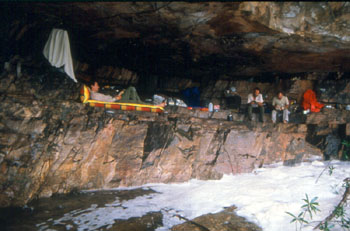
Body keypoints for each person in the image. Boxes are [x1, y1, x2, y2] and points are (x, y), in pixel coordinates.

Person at [89, 81, 166, 107]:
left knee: (128, 91)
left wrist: (118, 95)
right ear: (92, 86)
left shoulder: (95, 94)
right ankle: (156, 105)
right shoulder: (95, 95)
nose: (98, 86)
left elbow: (106, 99)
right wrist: (116, 98)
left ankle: (140, 102)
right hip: (117, 101)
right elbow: (107, 101)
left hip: (116, 99)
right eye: (96, 85)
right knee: (131, 89)